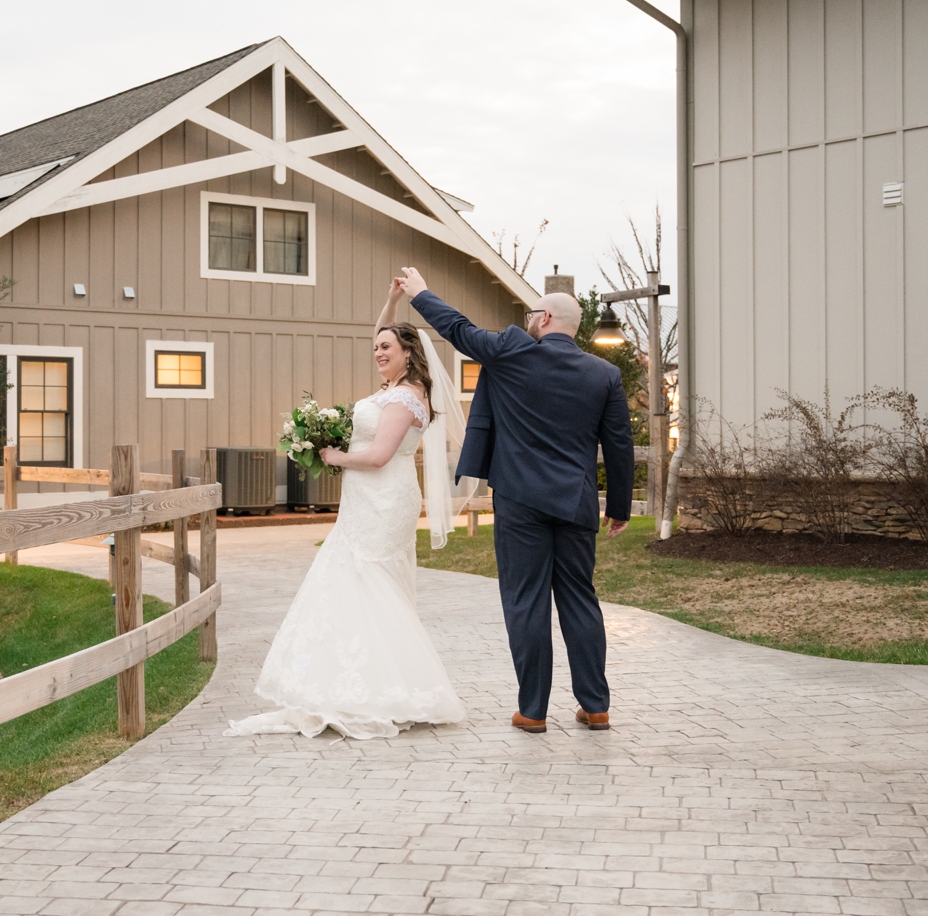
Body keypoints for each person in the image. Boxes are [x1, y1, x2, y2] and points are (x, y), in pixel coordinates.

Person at [227, 279, 470, 739]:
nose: (378, 351)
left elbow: (378, 456)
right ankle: (355, 681)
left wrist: (335, 458)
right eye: (376, 347)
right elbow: (381, 334)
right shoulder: (393, 385)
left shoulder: (404, 396)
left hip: (384, 497)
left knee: (372, 582)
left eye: (386, 347)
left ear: (407, 353)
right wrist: (393, 301)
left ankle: (383, 688)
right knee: (355, 580)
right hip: (365, 498)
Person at [400, 266, 634, 733]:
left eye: (532, 314)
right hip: (575, 502)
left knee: (526, 600)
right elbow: (620, 445)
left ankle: (533, 711)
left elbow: (459, 331)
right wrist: (620, 508)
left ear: (544, 318)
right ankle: (596, 705)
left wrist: (422, 293)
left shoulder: (512, 350)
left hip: (520, 500)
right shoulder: (604, 374)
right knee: (580, 600)